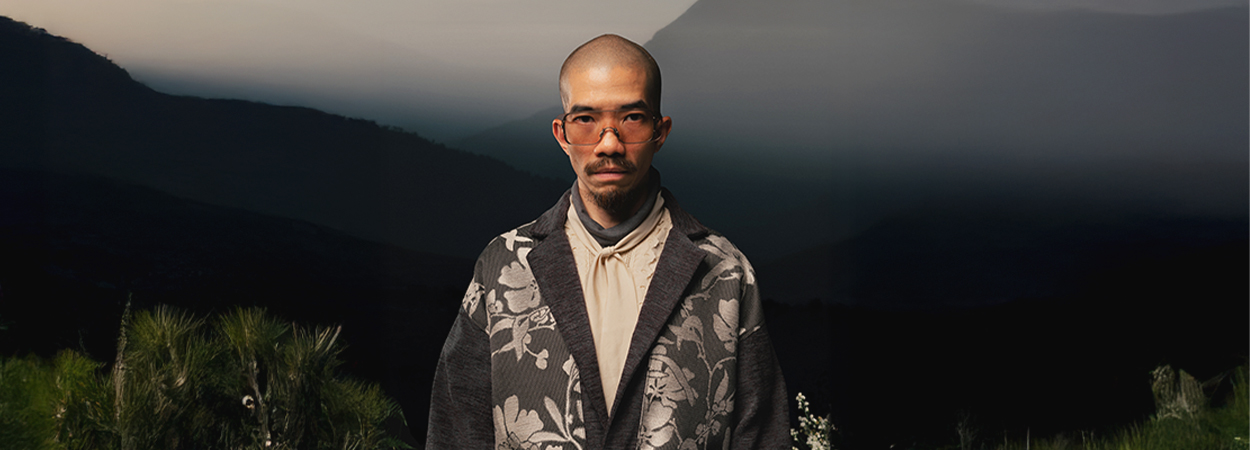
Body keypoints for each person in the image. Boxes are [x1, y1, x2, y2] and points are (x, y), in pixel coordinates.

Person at [427, 34, 789, 449]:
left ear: (660, 131)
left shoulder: (725, 272)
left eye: (632, 117)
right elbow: (456, 431)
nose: (609, 143)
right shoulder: (504, 266)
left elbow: (763, 438)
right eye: (586, 119)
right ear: (561, 134)